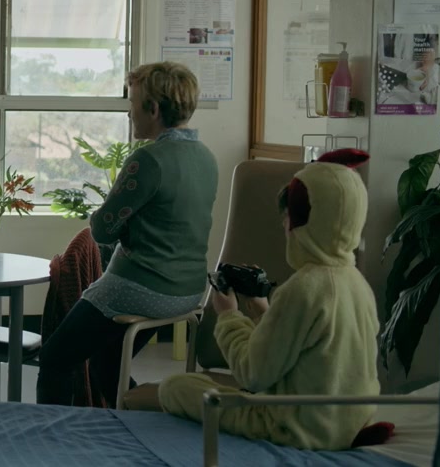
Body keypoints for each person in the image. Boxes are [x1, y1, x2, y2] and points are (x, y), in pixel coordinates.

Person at [159, 149, 381, 450]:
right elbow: (312, 351)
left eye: (287, 219)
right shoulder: (357, 283)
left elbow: (253, 374)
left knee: (175, 387)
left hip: (295, 429)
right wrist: (264, 313)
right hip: (348, 426)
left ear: (299, 223)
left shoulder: (303, 288)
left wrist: (229, 316)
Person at [36, 62, 218, 407]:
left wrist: (121, 225)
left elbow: (102, 230)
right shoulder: (206, 157)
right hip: (188, 291)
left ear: (153, 109)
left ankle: (53, 436)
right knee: (107, 363)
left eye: (132, 103)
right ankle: (138, 423)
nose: (129, 112)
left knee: (55, 358)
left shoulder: (148, 160)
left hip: (141, 288)